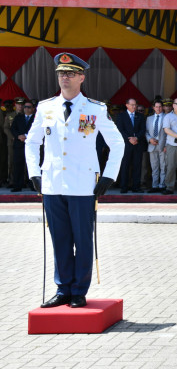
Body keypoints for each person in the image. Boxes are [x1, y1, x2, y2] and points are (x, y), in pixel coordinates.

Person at [26, 52, 124, 308]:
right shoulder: (45, 107)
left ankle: (79, 290)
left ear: (81, 77)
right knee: (59, 238)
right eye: (61, 73)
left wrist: (110, 174)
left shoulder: (95, 109)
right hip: (53, 183)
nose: (64, 77)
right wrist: (34, 171)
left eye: (70, 73)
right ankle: (63, 289)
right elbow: (33, 141)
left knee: (82, 239)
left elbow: (117, 143)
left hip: (82, 184)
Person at [114, 98, 146, 193]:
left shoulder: (140, 116)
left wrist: (136, 138)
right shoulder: (121, 116)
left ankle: (136, 186)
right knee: (125, 165)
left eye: (135, 105)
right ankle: (124, 186)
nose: (134, 106)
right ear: (127, 105)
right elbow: (120, 130)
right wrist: (129, 139)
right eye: (132, 105)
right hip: (126, 145)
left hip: (137, 144)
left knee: (137, 166)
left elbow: (143, 129)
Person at [10, 100, 35, 192]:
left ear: (33, 109)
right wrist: (18, 136)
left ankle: (33, 185)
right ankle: (17, 185)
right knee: (18, 166)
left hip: (31, 145)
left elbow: (38, 130)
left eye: (28, 107)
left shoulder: (36, 118)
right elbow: (13, 128)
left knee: (32, 165)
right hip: (19, 144)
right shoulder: (18, 117)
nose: (26, 109)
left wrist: (26, 136)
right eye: (25, 107)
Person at [145, 100, 167, 193]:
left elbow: (168, 133)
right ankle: (155, 185)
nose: (158, 108)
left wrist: (166, 145)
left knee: (163, 166)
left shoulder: (167, 117)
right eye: (156, 107)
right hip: (152, 145)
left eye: (160, 106)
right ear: (153, 107)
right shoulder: (149, 118)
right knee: (154, 167)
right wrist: (149, 139)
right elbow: (145, 131)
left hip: (163, 145)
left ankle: (162, 185)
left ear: (162, 107)